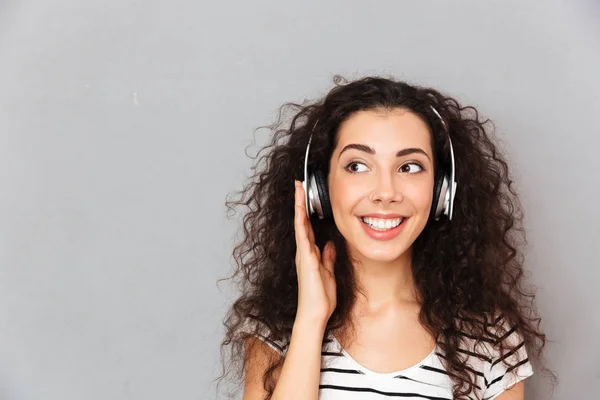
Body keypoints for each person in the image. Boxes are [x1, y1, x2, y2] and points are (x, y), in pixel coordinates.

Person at [215, 75, 554, 400]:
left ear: (441, 192)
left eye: (409, 167)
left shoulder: (490, 339)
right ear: (321, 188)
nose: (385, 192)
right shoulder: (277, 327)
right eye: (357, 166)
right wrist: (311, 319)